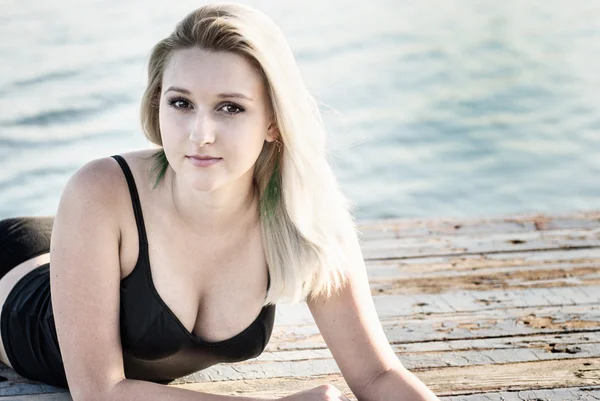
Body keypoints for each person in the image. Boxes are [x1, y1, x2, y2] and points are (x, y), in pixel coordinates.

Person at [0, 3, 439, 401]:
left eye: (230, 108)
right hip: (14, 271)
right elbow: (100, 393)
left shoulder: (306, 214)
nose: (200, 134)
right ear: (158, 106)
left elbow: (378, 376)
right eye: (181, 103)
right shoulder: (99, 189)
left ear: (273, 122)